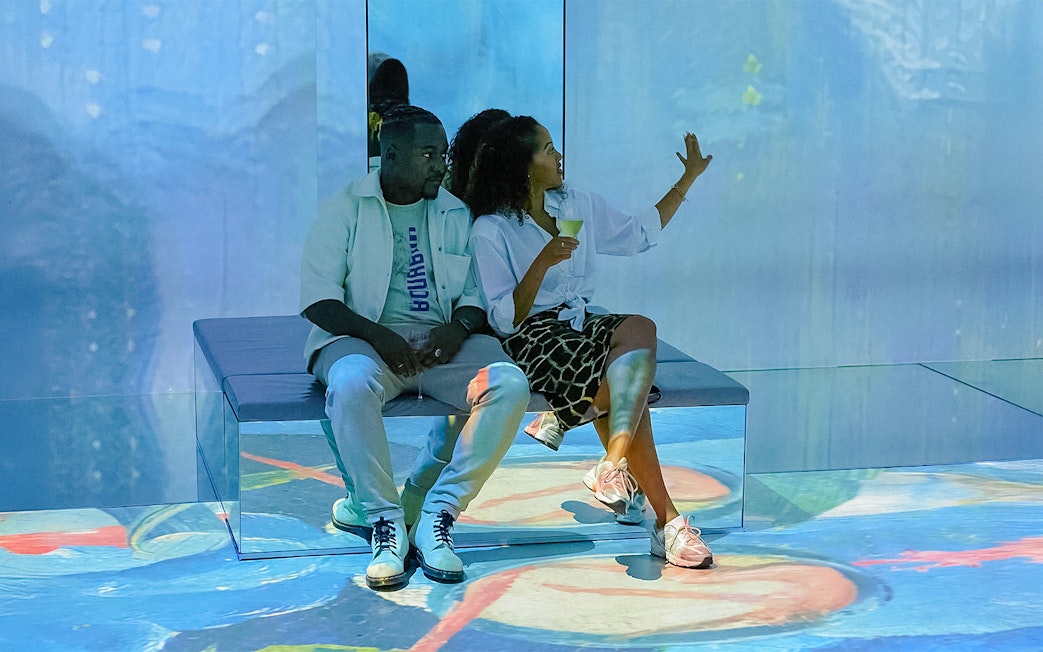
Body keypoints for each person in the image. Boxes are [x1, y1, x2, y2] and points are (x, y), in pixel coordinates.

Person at [465, 114, 714, 569]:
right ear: (522, 165)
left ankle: (611, 463)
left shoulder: (575, 204)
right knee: (621, 383)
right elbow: (504, 320)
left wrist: (688, 179)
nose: (558, 155)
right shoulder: (491, 229)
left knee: (640, 328)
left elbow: (638, 234)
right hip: (532, 335)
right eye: (546, 148)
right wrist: (540, 262)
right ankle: (667, 522)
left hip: (580, 324)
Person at [300, 104, 530, 589]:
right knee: (349, 383)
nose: (440, 164)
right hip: (362, 343)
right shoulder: (345, 208)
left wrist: (459, 329)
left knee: (508, 384)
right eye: (428, 154)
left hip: (439, 349)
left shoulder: (453, 211)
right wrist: (378, 335)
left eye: (442, 154)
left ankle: (437, 517)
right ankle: (384, 522)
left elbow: (472, 296)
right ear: (390, 154)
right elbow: (317, 300)